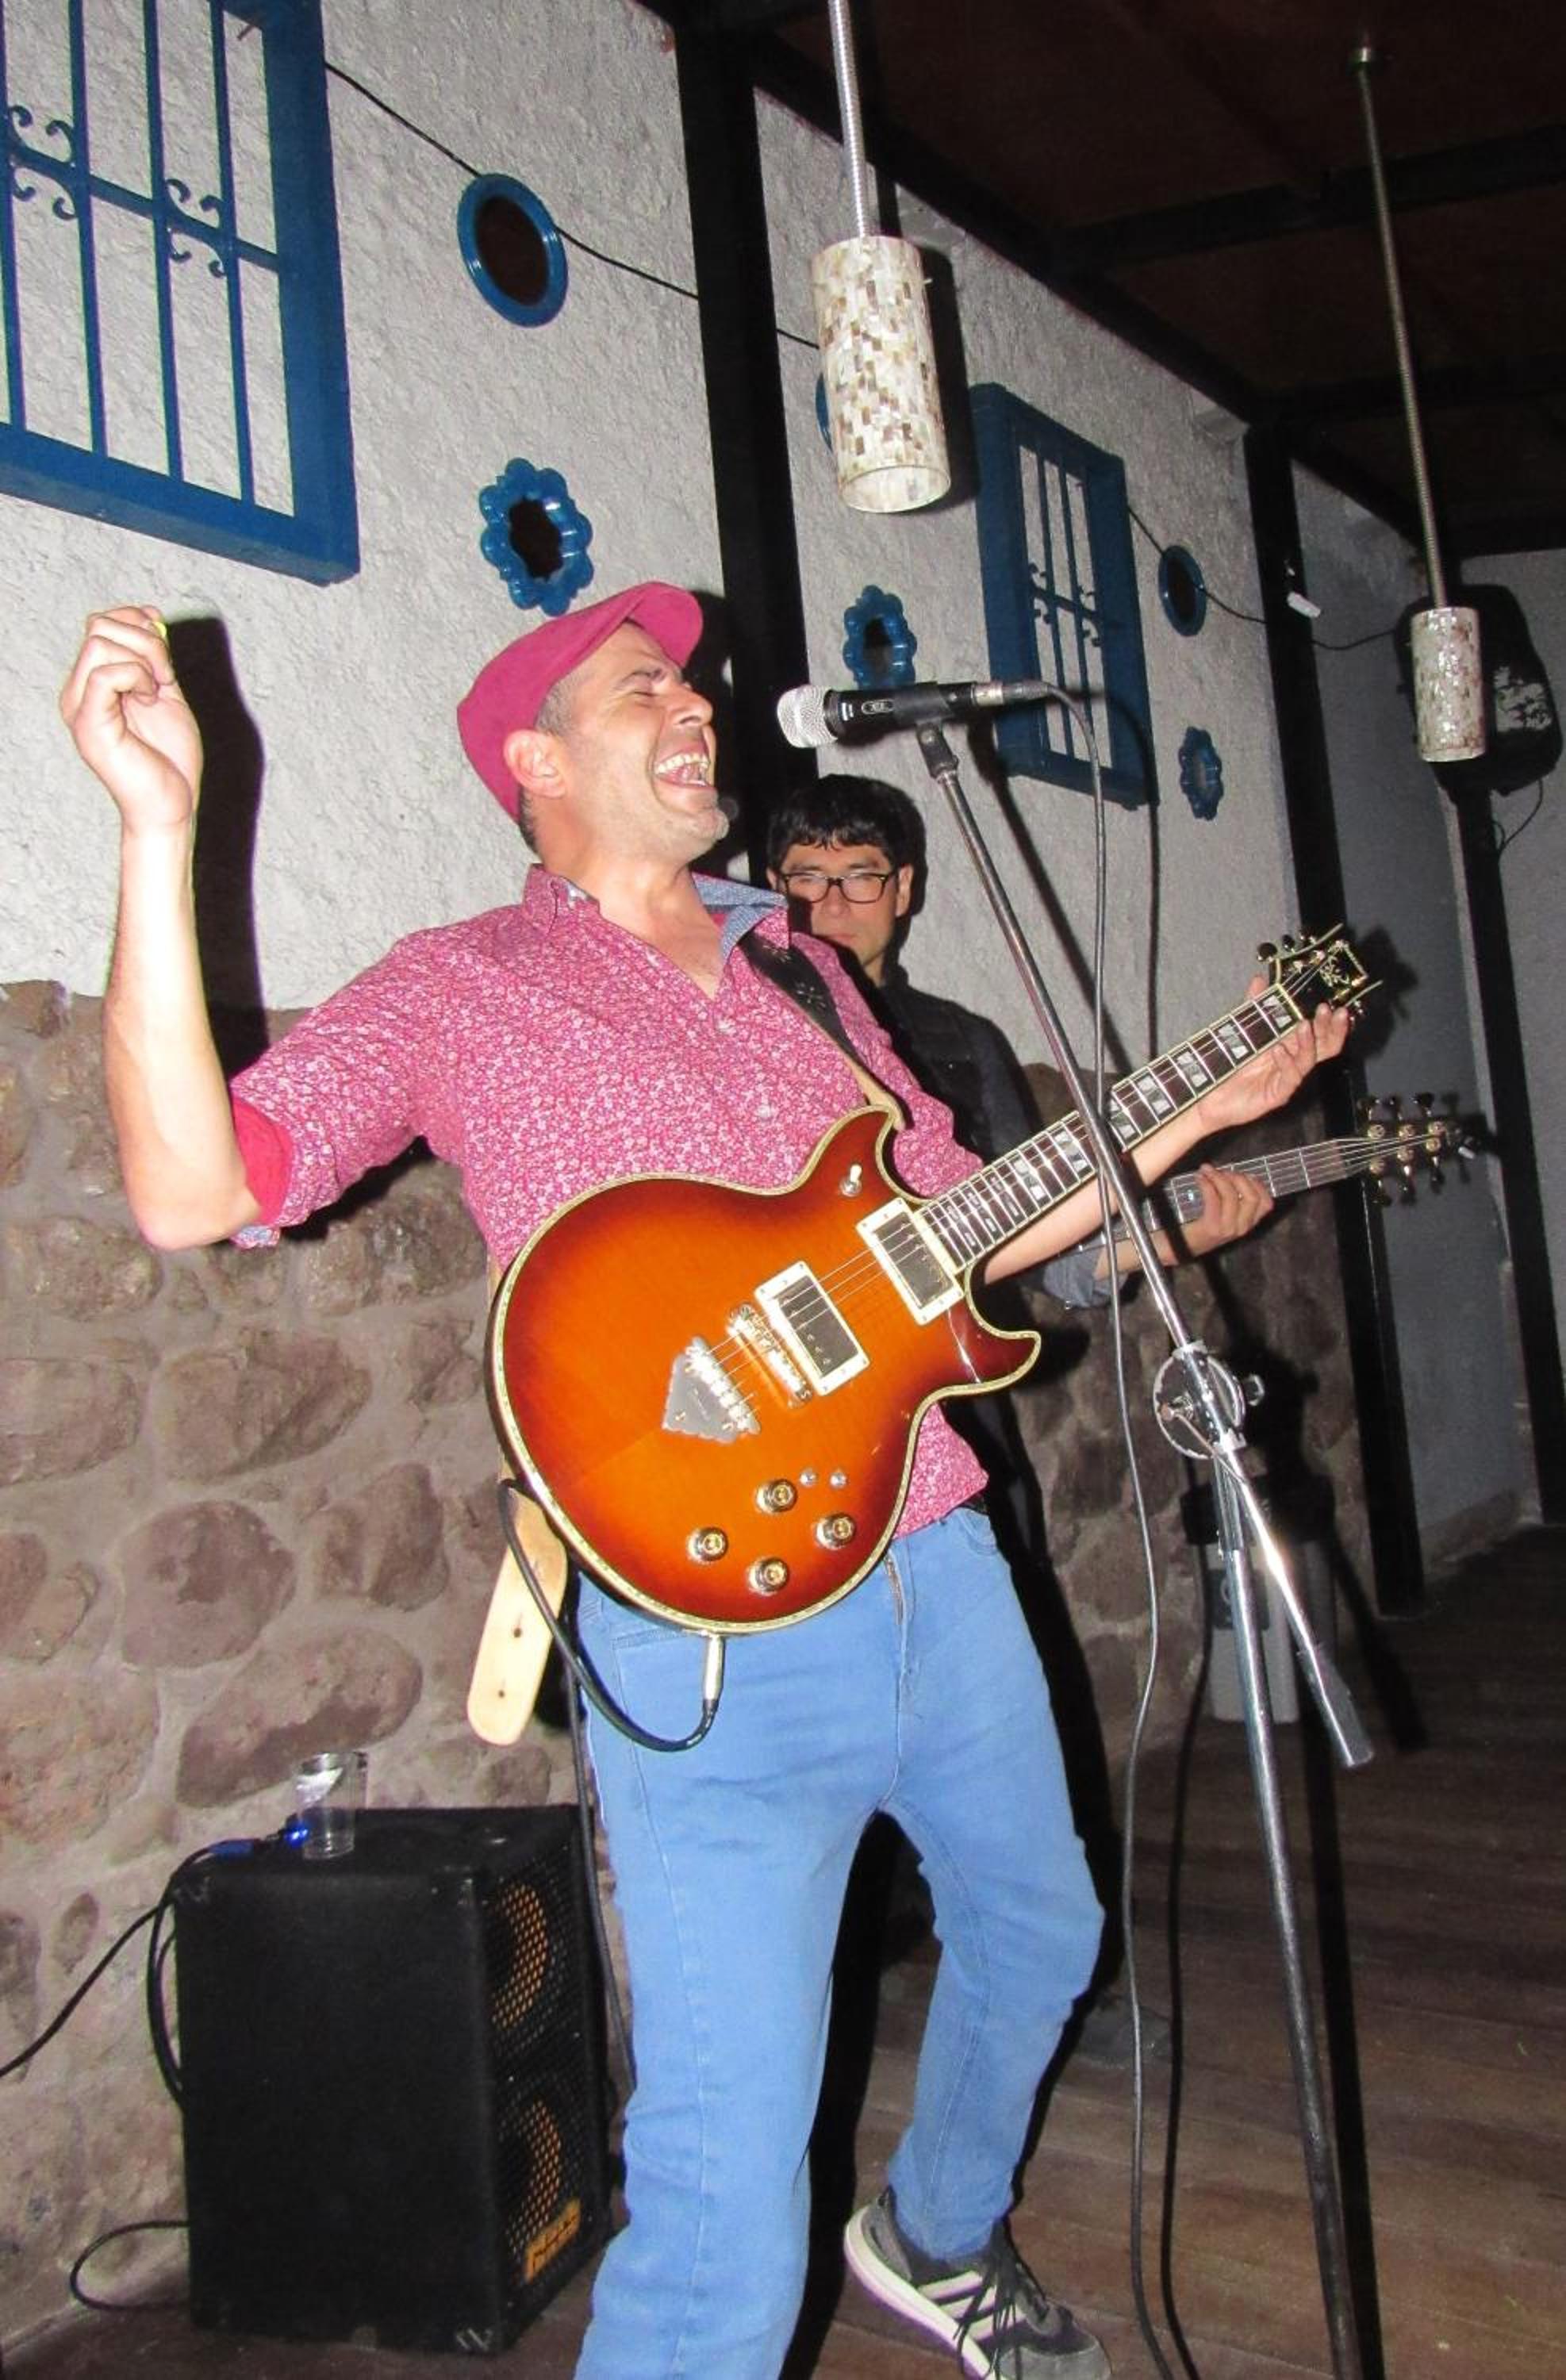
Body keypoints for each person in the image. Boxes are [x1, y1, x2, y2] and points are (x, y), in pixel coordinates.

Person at [61, 589, 1348, 2380]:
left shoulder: (806, 976)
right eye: (643, 687)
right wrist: (157, 829)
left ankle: (934, 2233)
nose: (696, 707)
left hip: (938, 1556)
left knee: (1045, 1930)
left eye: (692, 685)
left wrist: (1206, 1104)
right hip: (712, 1632)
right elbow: (194, 1188)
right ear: (536, 762)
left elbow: (962, 1232)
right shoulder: (458, 984)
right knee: (730, 2182)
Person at [765, 773, 1274, 2056]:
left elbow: (1049, 1265)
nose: (829, 907)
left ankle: (1038, 1988)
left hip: (951, 1445)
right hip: (786, 1441)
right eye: (803, 881)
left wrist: (1156, 1238)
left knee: (996, 1731)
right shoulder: (742, 1016)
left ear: (906, 891)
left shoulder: (960, 1043)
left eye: (857, 878)